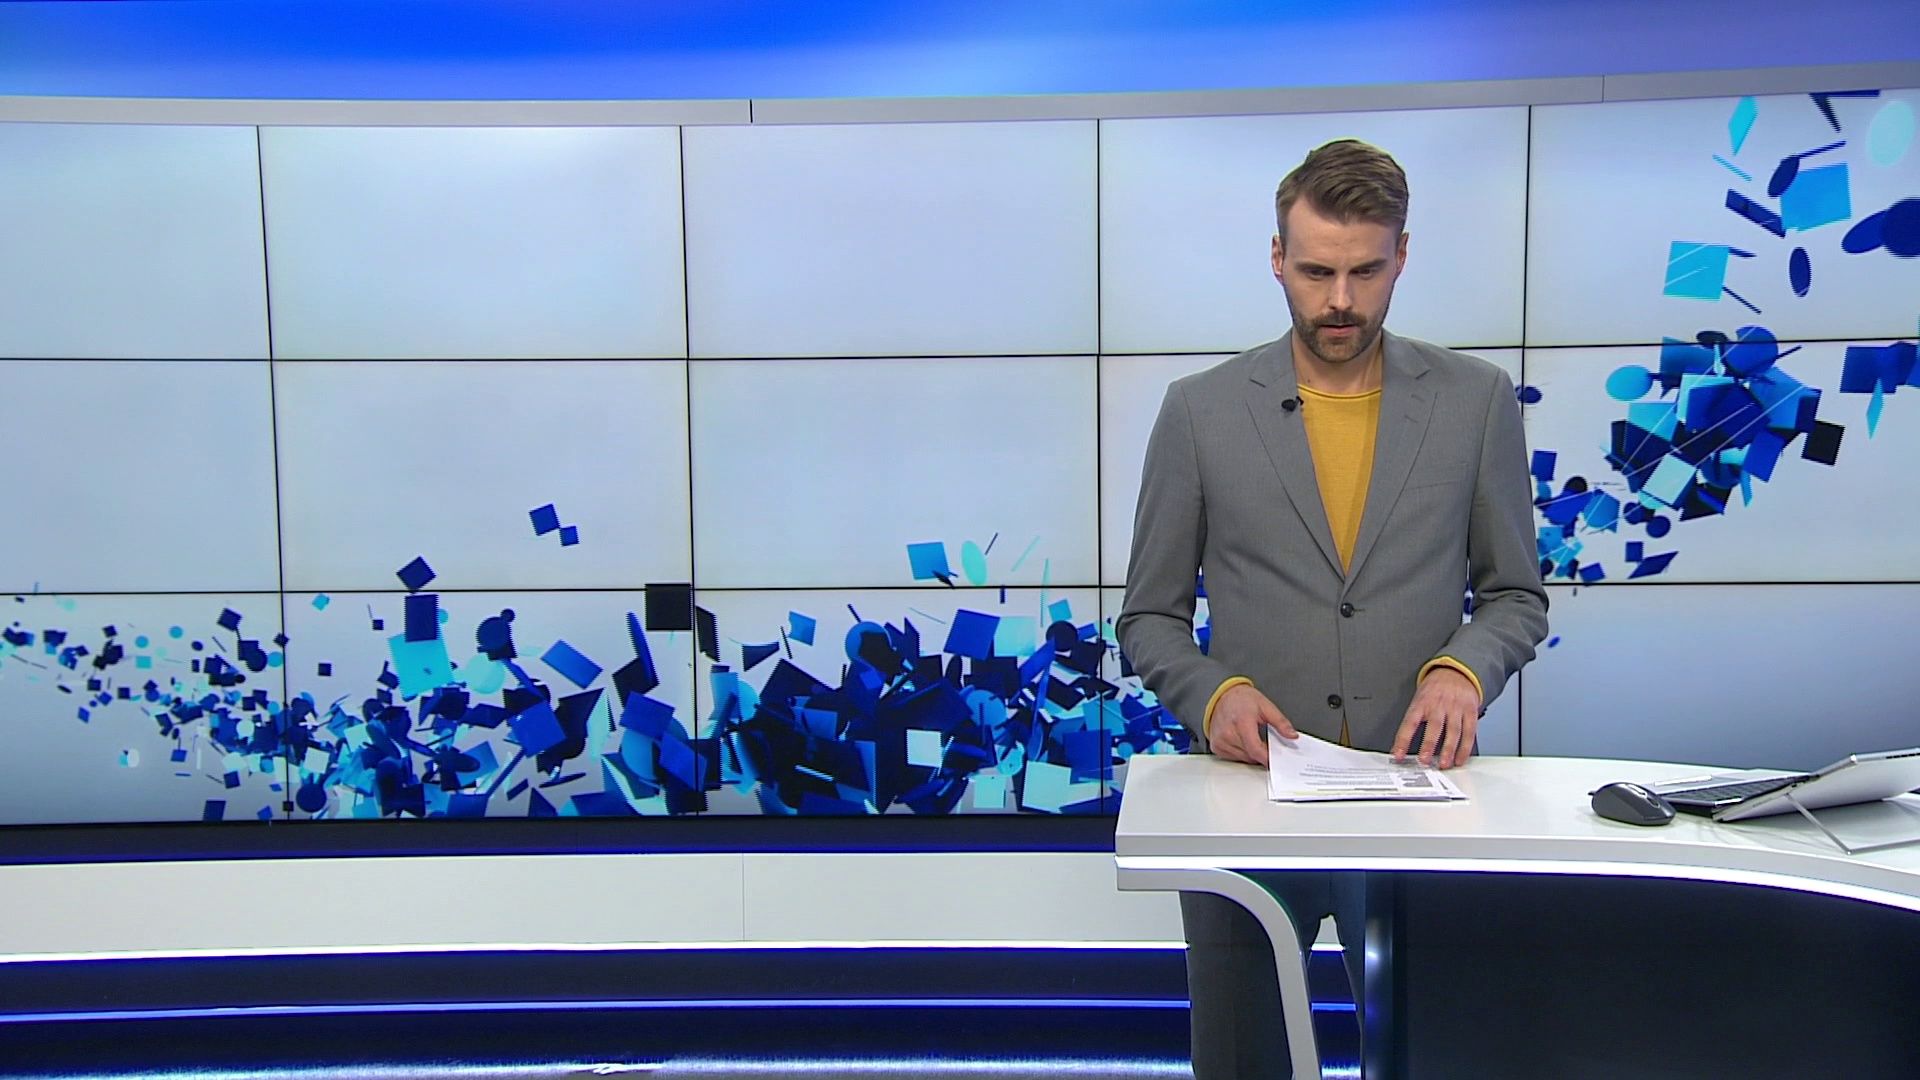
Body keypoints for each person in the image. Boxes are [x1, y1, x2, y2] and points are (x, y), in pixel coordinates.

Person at [1115, 138, 1549, 1078]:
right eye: (1316, 273)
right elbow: (1147, 618)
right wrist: (1213, 694)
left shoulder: (1476, 401)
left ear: (1403, 255)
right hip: (1243, 802)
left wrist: (1463, 670)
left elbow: (1516, 596)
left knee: (1425, 1056)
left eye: (1365, 271)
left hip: (1416, 799)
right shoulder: (1199, 412)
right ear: (1277, 258)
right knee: (1242, 1062)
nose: (1340, 300)